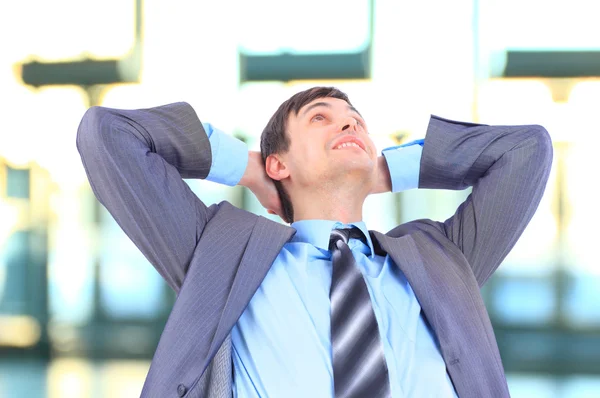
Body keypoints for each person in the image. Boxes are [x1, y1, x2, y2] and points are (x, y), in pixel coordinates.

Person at [76, 86, 553, 398]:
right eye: (320, 118)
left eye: (356, 121)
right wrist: (249, 168)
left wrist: (383, 168)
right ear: (279, 164)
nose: (350, 125)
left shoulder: (442, 259)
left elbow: (526, 150)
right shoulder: (219, 254)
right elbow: (107, 134)